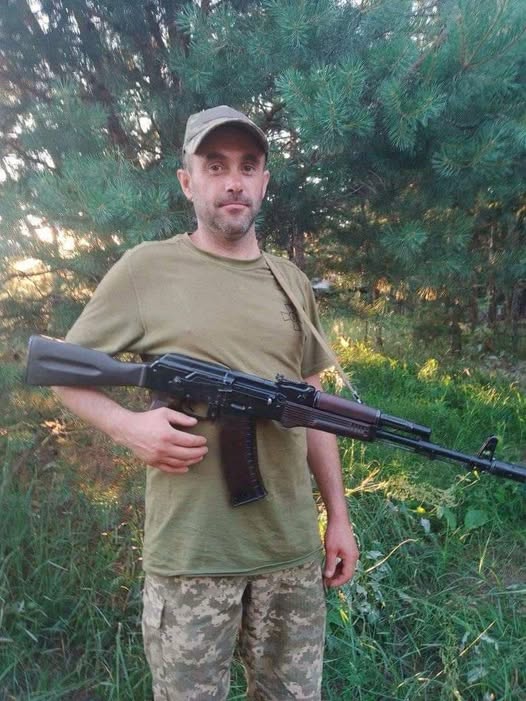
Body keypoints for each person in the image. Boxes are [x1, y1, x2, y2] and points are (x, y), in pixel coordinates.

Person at [54, 105, 359, 700]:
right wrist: (127, 427)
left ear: (265, 181)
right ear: (187, 181)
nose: (233, 182)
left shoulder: (290, 280)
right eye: (215, 166)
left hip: (289, 554)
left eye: (248, 166)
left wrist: (338, 518)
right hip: (192, 558)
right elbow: (61, 370)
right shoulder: (147, 269)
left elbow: (314, 406)